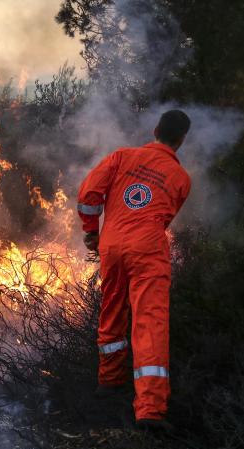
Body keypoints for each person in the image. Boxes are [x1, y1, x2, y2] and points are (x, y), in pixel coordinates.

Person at [76, 110, 192, 432]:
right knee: (149, 321)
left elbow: (88, 196)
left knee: (111, 310)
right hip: (148, 251)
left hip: (111, 246)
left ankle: (109, 382)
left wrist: (92, 231)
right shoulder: (181, 179)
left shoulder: (121, 156)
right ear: (181, 140)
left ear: (155, 130)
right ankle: (150, 410)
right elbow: (165, 217)